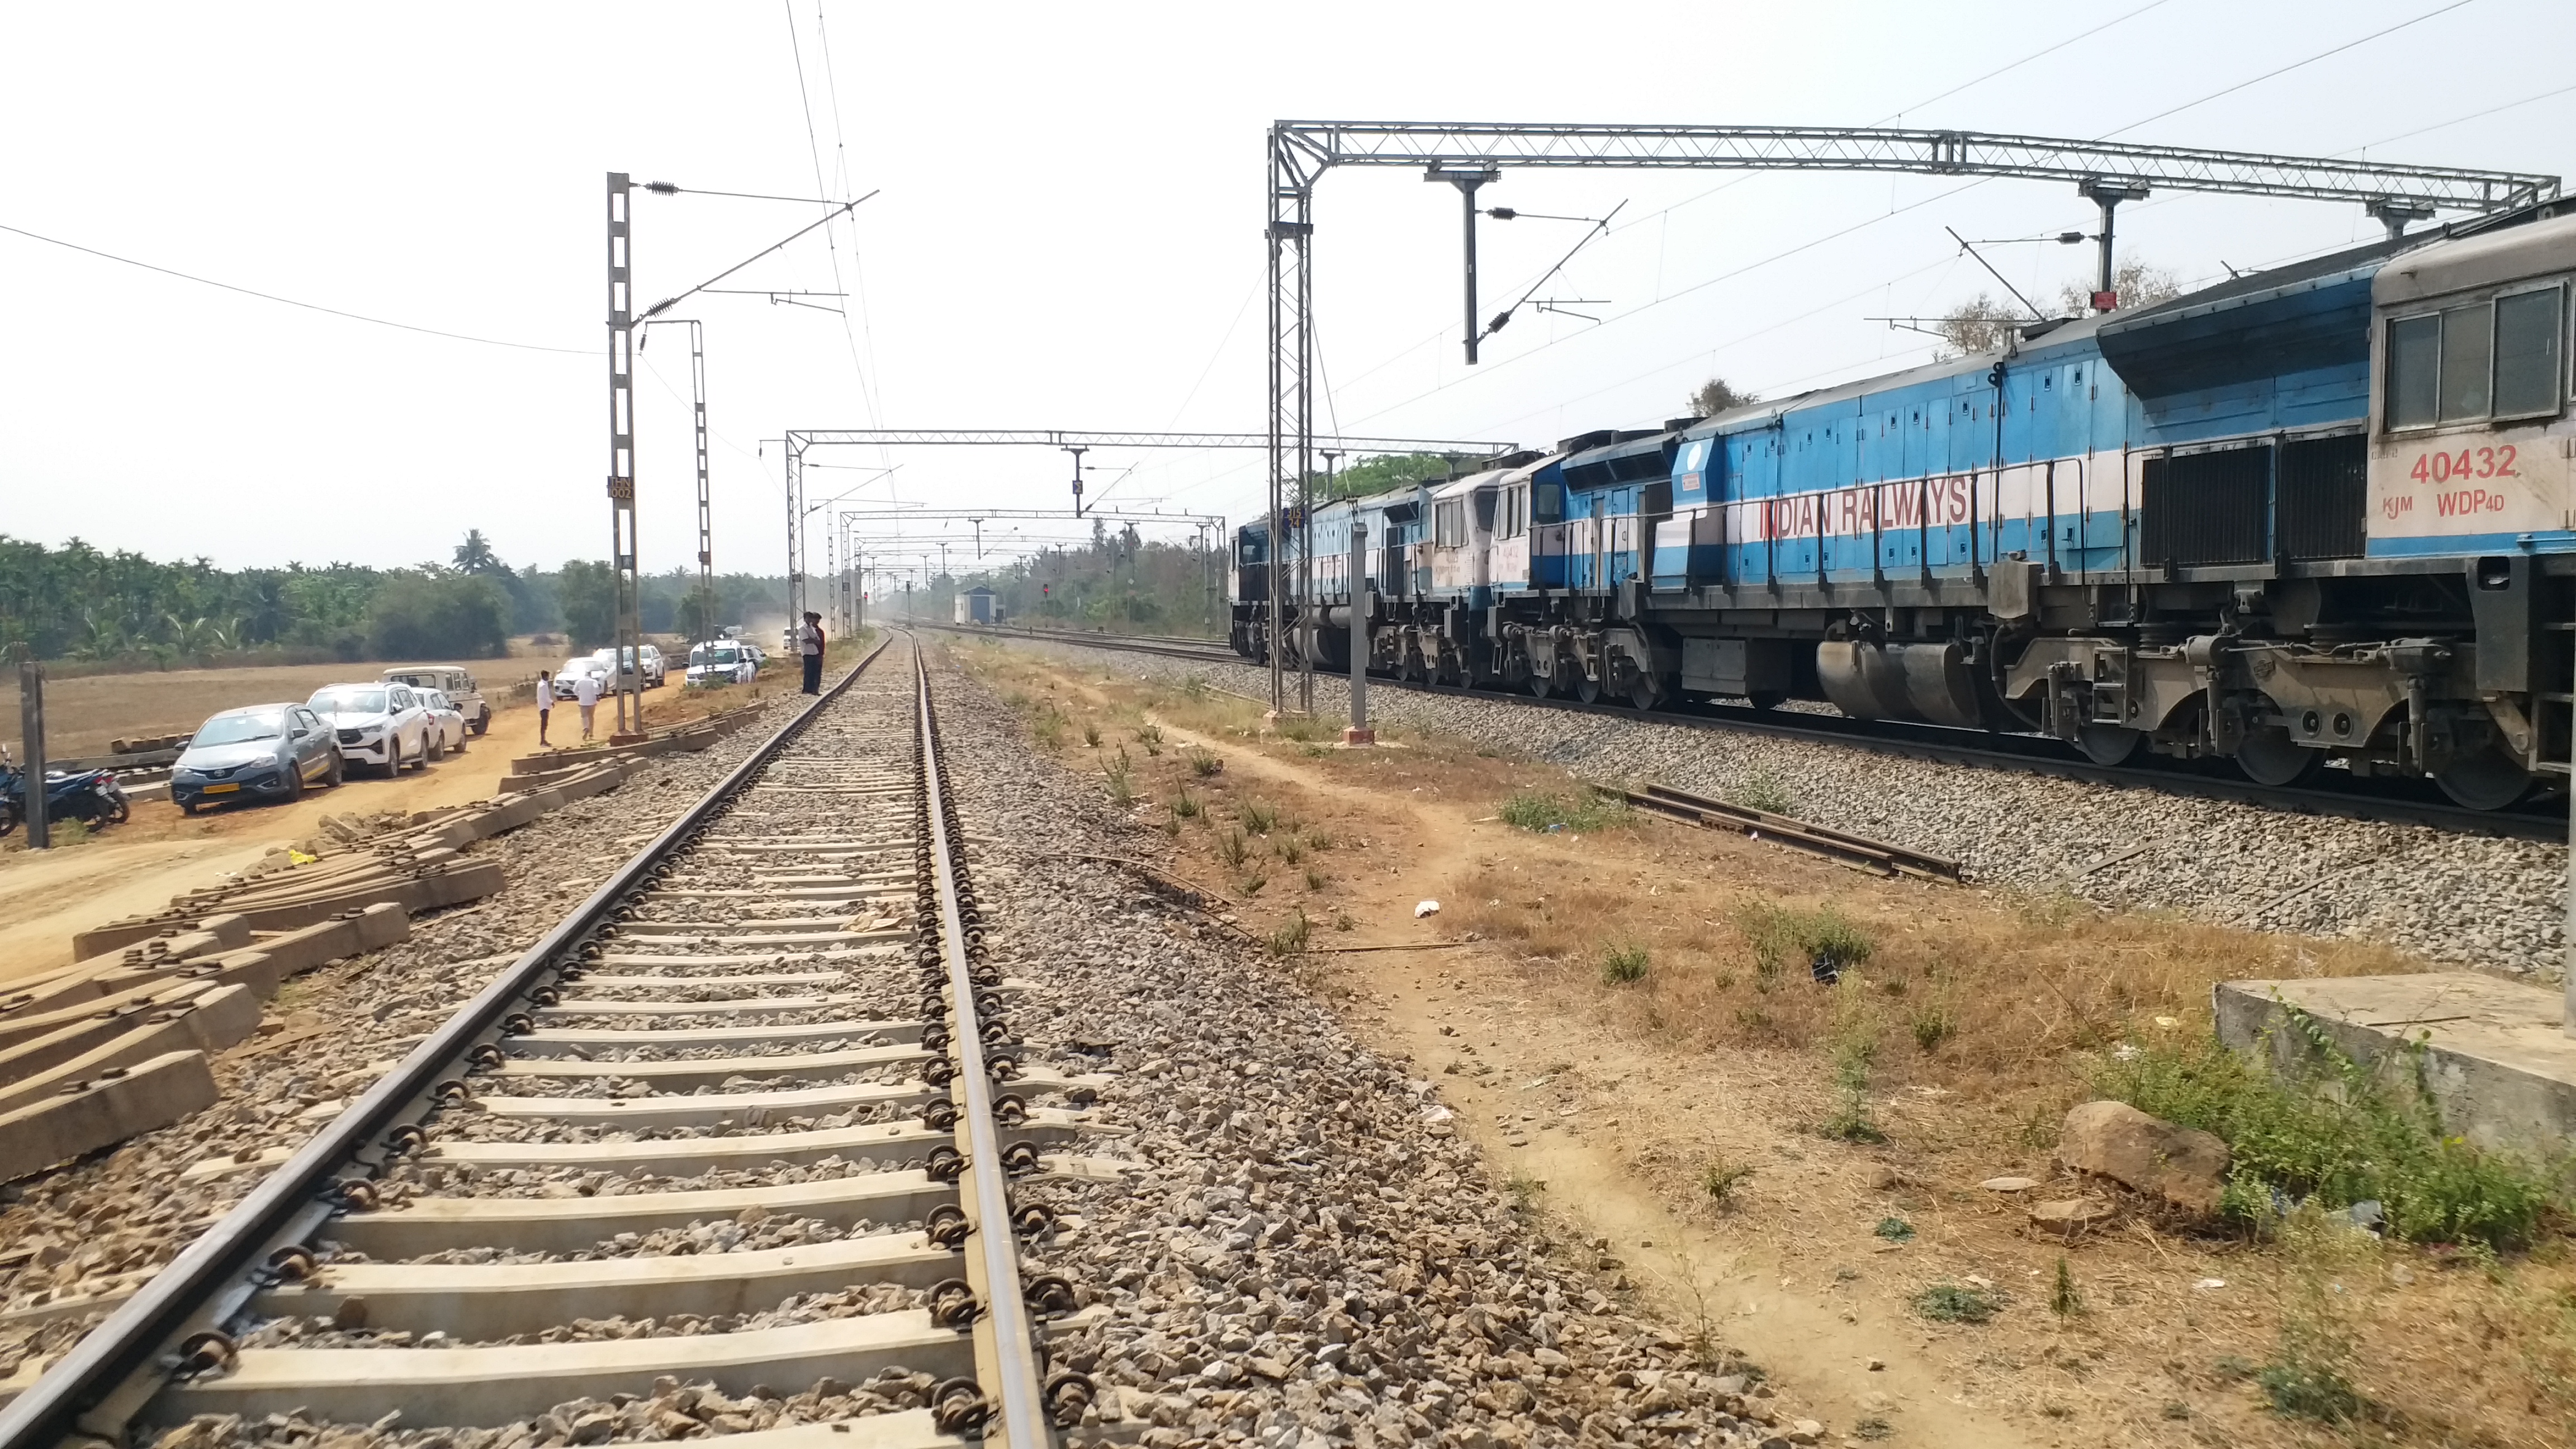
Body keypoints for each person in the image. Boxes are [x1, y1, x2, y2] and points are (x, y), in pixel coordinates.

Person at [573, 666, 602, 741]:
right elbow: (596, 689)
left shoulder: (579, 681)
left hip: (583, 702)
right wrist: (596, 695)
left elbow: (575, 690)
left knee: (584, 716)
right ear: (590, 675)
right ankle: (591, 734)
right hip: (592, 701)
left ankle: (586, 728)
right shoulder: (593, 681)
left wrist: (580, 695)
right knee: (591, 717)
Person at [799, 611, 825, 694]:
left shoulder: (813, 629)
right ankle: (807, 689)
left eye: (810, 618)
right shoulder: (802, 629)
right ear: (805, 619)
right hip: (807, 653)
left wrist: (814, 641)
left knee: (816, 672)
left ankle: (814, 690)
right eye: (808, 618)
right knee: (808, 672)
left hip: (816, 653)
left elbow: (819, 641)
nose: (809, 620)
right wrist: (814, 640)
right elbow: (806, 640)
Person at [535, 670, 553, 746]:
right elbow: (546, 697)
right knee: (544, 724)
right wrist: (551, 702)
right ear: (546, 676)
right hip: (544, 706)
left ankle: (543, 740)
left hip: (542, 706)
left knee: (544, 724)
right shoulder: (544, 685)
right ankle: (543, 741)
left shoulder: (540, 684)